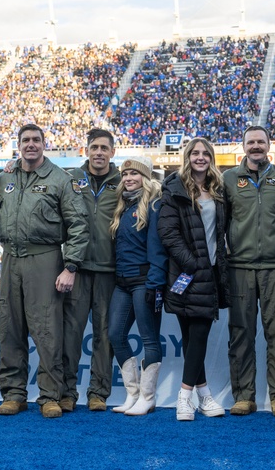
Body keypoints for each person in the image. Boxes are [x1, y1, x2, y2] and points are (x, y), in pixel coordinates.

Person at [0, 124, 89, 419]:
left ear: (44, 144)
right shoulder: (5, 177)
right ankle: (14, 393)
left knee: (47, 332)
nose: (31, 145)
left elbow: (78, 225)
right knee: (10, 329)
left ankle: (50, 395)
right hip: (10, 259)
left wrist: (70, 266)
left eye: (36, 140)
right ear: (18, 145)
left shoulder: (61, 179)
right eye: (26, 140)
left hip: (45, 259)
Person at [222, 126, 275, 417]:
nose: (255, 146)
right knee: (241, 334)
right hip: (240, 267)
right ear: (243, 147)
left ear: (268, 145)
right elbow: (219, 222)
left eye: (260, 142)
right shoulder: (228, 179)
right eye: (250, 142)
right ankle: (244, 396)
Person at [158, 137, 229, 421]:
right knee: (192, 336)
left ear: (211, 158)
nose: (200, 158)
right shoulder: (174, 188)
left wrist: (209, 265)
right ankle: (186, 398)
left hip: (210, 272)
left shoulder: (218, 189)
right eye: (195, 153)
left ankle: (201, 394)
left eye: (205, 153)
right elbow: (168, 234)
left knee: (196, 337)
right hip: (186, 273)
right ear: (187, 157)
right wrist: (193, 263)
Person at [63, 129, 120, 412]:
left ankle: (98, 392)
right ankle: (66, 391)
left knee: (104, 334)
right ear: (86, 150)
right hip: (78, 268)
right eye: (94, 147)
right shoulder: (71, 178)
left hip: (110, 270)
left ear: (112, 152)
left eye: (104, 148)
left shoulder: (123, 180)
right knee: (71, 334)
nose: (99, 152)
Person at [107, 156, 167, 416]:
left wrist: (155, 283)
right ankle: (132, 394)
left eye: (134, 174)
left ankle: (148, 396)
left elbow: (158, 248)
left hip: (145, 281)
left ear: (145, 177)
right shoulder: (122, 205)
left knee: (149, 339)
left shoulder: (154, 204)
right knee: (115, 335)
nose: (129, 178)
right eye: (125, 175)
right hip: (122, 282)